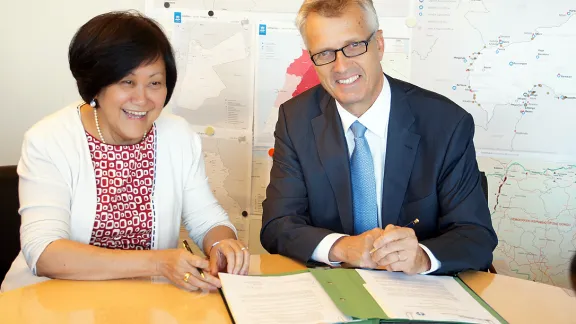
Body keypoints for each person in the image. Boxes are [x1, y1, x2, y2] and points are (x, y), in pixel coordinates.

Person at [1, 11, 249, 292]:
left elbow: (208, 220)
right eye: (127, 82)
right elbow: (45, 253)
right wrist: (157, 263)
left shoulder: (178, 136)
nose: (142, 99)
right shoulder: (48, 140)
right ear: (96, 86)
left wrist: (221, 244)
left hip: (147, 303)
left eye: (154, 83)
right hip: (52, 302)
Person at [261, 0, 498, 275]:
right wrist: (342, 247)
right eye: (325, 53)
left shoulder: (445, 124)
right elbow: (277, 224)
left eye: (353, 46)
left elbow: (476, 236)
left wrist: (421, 257)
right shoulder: (295, 119)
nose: (341, 67)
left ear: (380, 44)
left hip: (420, 294)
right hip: (333, 291)